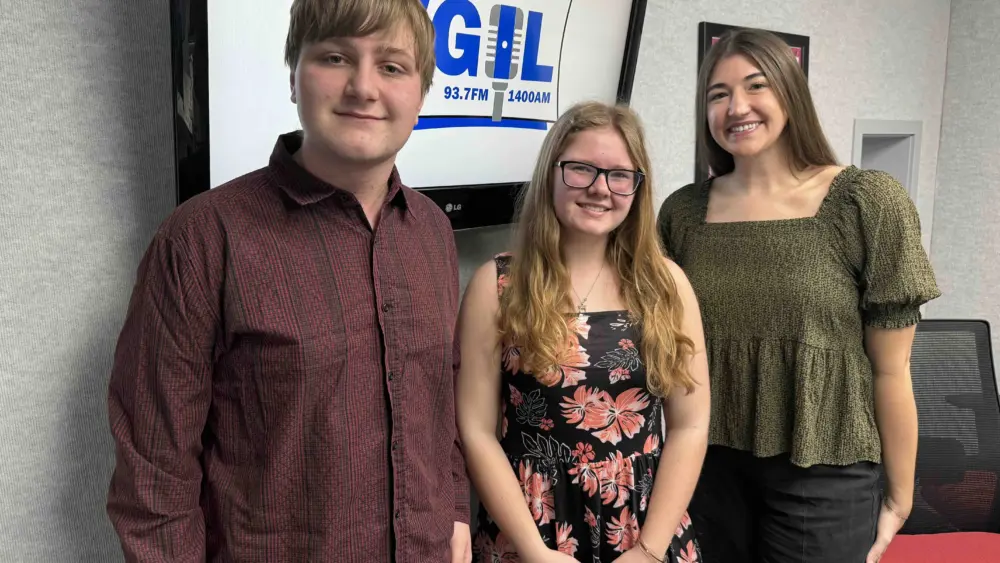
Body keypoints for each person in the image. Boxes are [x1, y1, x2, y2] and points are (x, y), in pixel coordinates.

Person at [105, 1, 472, 561]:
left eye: (393, 66)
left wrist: (454, 513)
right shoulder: (203, 239)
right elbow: (154, 477)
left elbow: (439, 403)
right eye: (334, 57)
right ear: (294, 77)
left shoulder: (433, 232)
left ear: (420, 96)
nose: (364, 87)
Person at [657, 28, 942, 563]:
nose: (736, 107)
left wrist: (901, 496)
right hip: (707, 471)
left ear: (790, 92)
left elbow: (891, 370)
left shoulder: (866, 201)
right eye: (718, 95)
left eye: (755, 86)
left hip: (827, 475)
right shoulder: (681, 213)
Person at [456, 101, 710, 563]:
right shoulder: (497, 286)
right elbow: (475, 431)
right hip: (530, 527)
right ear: (551, 172)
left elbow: (691, 426)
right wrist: (532, 550)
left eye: (619, 175)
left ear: (637, 187)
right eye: (581, 169)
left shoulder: (667, 285)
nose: (599, 189)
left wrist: (650, 551)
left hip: (643, 526)